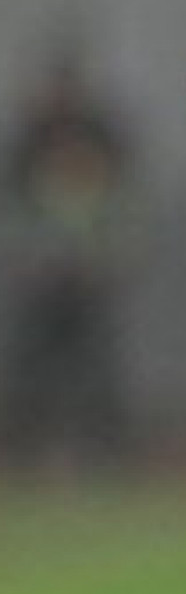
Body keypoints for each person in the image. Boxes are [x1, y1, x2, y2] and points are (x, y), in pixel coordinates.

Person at [1, 44, 139, 474]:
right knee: (32, 363)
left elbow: (123, 201)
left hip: (89, 270)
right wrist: (27, 257)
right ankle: (23, 451)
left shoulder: (102, 135)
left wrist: (109, 255)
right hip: (44, 271)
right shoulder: (31, 137)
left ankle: (106, 452)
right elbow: (16, 205)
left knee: (97, 366)